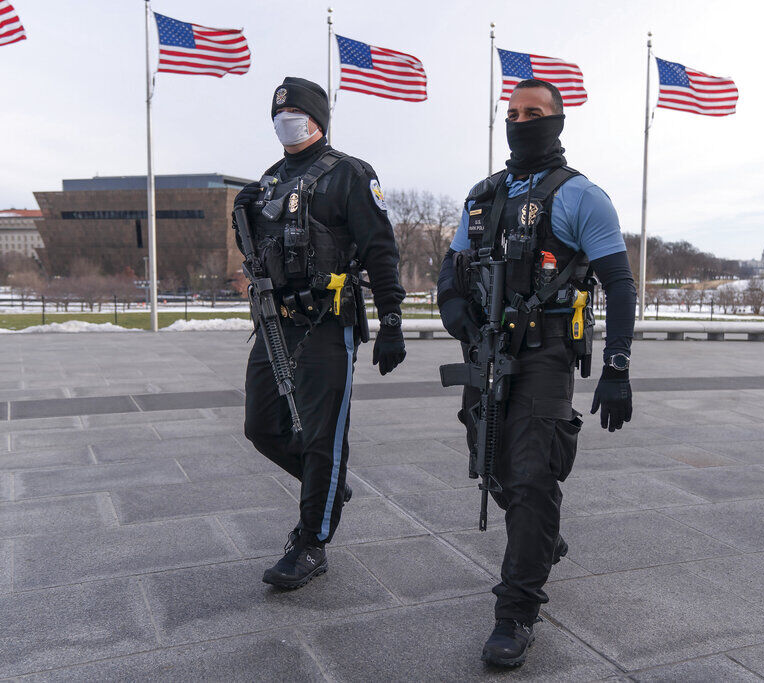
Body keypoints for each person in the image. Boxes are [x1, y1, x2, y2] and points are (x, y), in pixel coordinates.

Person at [436, 78, 636, 667]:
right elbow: (453, 264)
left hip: (546, 349)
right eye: (513, 113)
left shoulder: (581, 196)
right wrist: (452, 306)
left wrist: (618, 366)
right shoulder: (483, 195)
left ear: (556, 121)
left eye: (533, 113)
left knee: (530, 474)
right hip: (485, 346)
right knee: (490, 461)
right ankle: (541, 535)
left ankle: (516, 611)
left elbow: (620, 284)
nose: (521, 122)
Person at [234, 76, 406, 589]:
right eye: (278, 115)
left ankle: (311, 542)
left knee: (322, 437)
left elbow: (381, 250)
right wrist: (242, 214)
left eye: (295, 113)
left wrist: (391, 319)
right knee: (261, 426)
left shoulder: (350, 174)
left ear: (318, 120)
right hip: (275, 321)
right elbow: (260, 253)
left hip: (328, 322)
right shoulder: (268, 180)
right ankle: (328, 485)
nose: (285, 121)